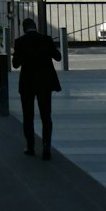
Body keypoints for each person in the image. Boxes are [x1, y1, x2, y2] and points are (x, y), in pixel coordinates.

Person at [12, 16, 62, 160]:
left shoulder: (20, 42)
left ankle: (30, 146)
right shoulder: (46, 40)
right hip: (45, 83)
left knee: (28, 116)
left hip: (27, 83)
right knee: (46, 116)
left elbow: (15, 64)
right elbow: (58, 57)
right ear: (35, 26)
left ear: (24, 28)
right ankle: (46, 147)